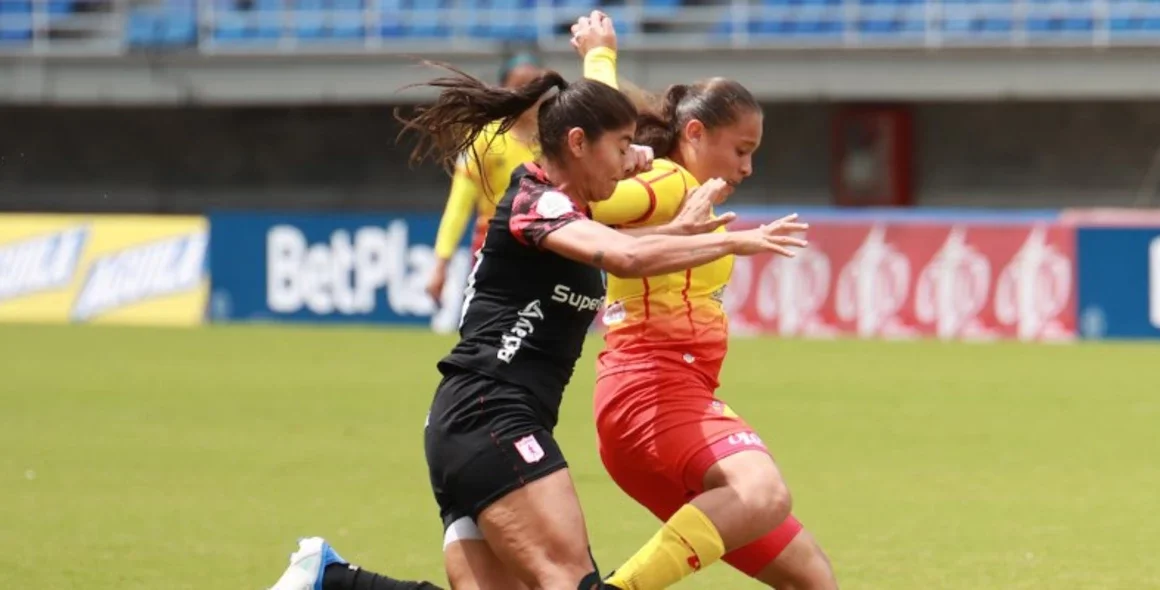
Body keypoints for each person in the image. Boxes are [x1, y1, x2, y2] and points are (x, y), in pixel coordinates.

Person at [265, 60, 810, 590]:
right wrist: (731, 240)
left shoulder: (567, 216)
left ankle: (331, 578)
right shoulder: (535, 199)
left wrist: (680, 229)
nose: (627, 163)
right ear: (577, 144)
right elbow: (623, 259)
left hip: (469, 424)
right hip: (493, 416)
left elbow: (621, 246)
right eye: (620, 149)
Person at [569, 12, 841, 590]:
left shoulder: (683, 192)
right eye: (740, 149)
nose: (747, 167)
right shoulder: (667, 184)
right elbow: (587, 190)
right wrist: (600, 59)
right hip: (653, 394)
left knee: (811, 577)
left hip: (663, 402)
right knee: (762, 490)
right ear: (695, 135)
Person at [423, 52, 545, 306]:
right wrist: (440, 264)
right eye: (519, 84)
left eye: (535, 84)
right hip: (494, 248)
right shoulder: (484, 139)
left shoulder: (555, 140)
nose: (528, 93)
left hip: (547, 246)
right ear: (504, 89)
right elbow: (459, 204)